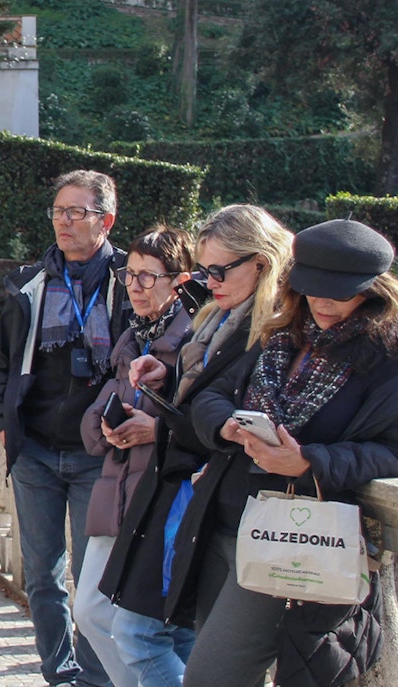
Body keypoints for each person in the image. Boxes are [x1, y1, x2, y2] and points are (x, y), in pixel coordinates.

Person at [180, 218, 398, 687]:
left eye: (338, 293)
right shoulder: (282, 334)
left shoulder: (394, 359)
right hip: (221, 521)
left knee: (208, 677)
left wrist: (308, 462)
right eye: (311, 289)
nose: (322, 302)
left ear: (374, 290)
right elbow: (210, 394)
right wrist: (227, 424)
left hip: (292, 537)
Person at [98, 205, 293, 687]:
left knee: (145, 633)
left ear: (262, 263)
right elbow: (203, 396)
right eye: (205, 271)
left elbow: (251, 413)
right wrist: (167, 381)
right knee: (172, 632)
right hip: (185, 489)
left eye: (220, 270)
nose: (210, 281)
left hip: (222, 496)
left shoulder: (279, 328)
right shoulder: (219, 313)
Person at [0, 169, 131, 687]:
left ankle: (93, 679)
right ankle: (58, 672)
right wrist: (3, 423)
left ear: (105, 220)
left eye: (77, 213)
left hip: (100, 457)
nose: (64, 223)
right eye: (58, 212)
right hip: (37, 453)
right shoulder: (33, 284)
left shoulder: (129, 284)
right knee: (43, 577)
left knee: (93, 583)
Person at [74, 227, 197, 687]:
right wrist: (106, 426)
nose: (135, 286)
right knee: (91, 611)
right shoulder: (132, 338)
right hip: (117, 493)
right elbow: (92, 417)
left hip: (163, 501)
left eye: (149, 277)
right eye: (131, 275)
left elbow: (207, 424)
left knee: (148, 630)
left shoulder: (194, 341)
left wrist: (155, 429)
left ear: (179, 280)